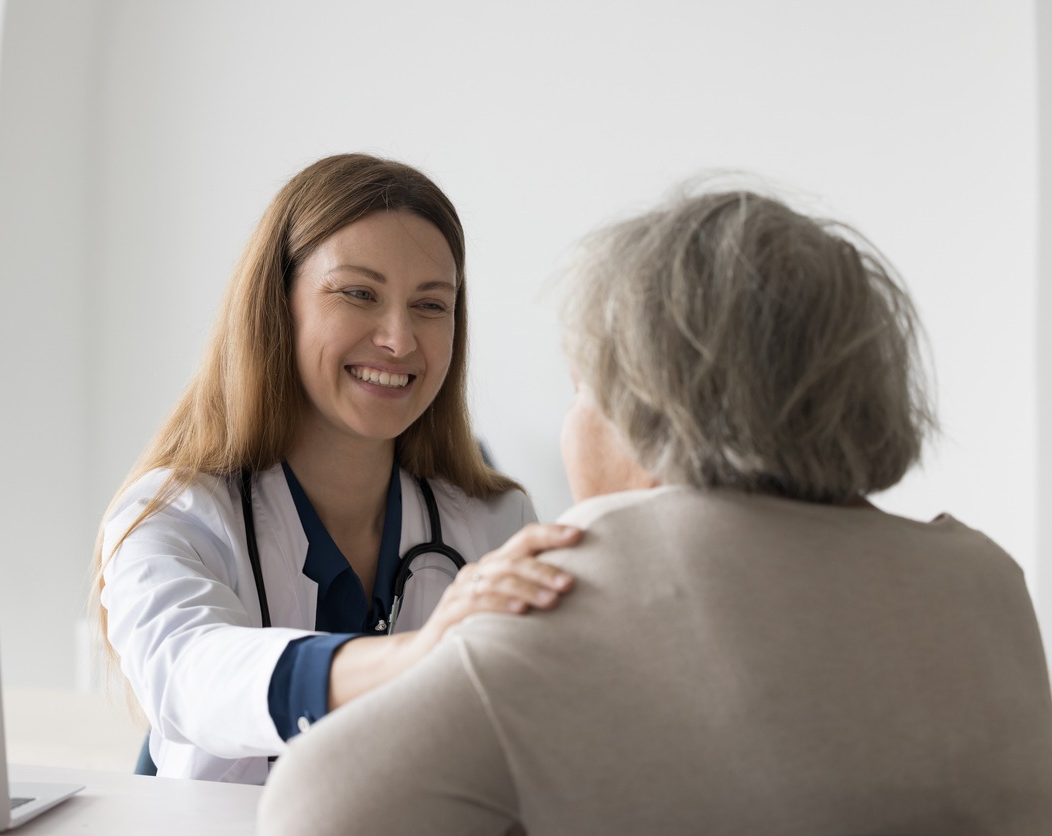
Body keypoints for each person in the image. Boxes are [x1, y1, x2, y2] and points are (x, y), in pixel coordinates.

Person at [259, 186, 1052, 833]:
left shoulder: (574, 582)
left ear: (647, 404)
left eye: (580, 390)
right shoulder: (983, 583)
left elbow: (314, 809)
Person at [93, 153, 579, 785]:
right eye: (358, 294)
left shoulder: (497, 522)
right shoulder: (173, 517)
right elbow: (191, 677)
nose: (400, 340)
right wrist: (417, 657)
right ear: (277, 305)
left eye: (431, 305)